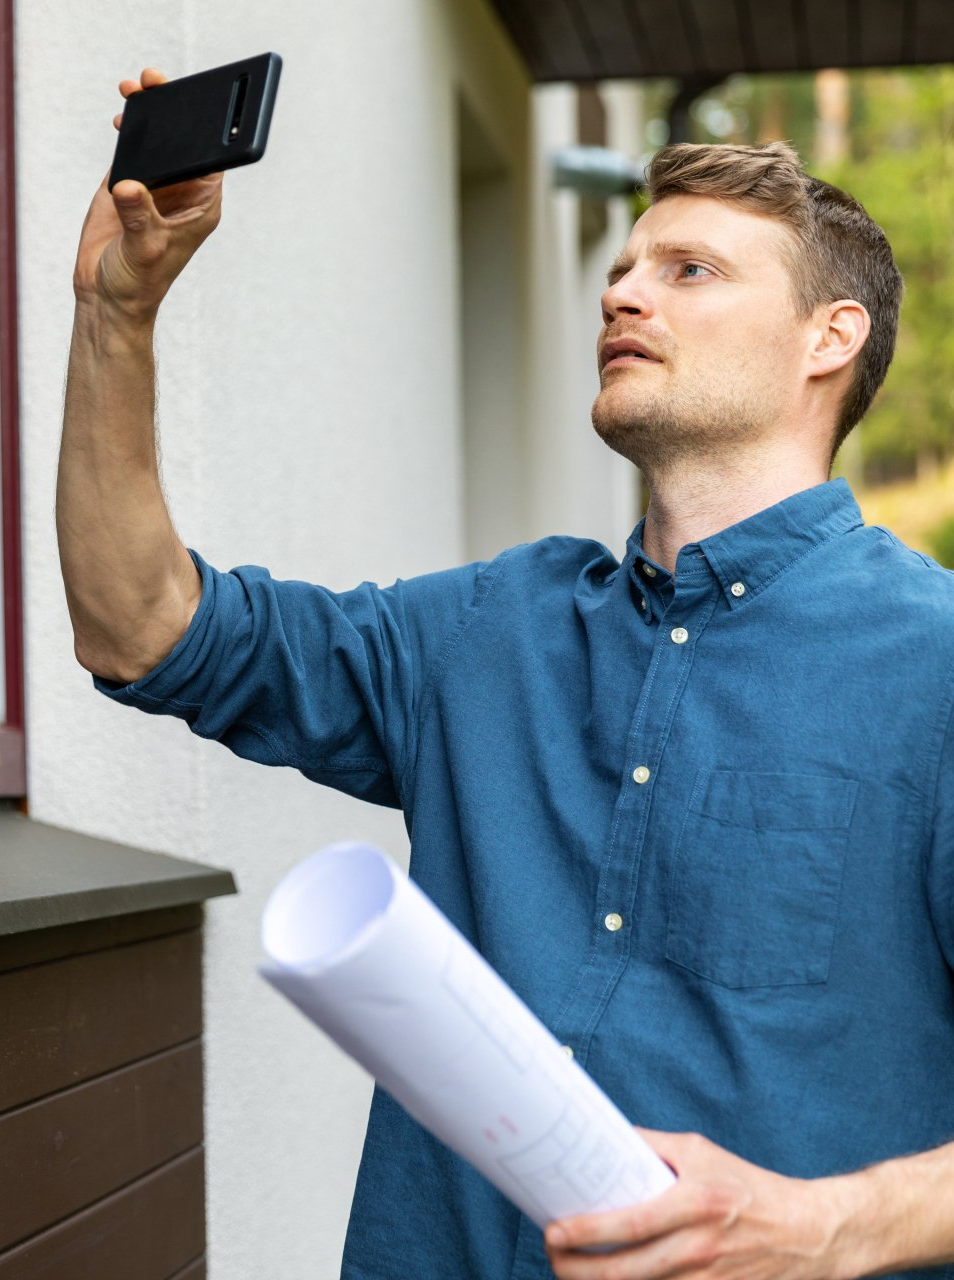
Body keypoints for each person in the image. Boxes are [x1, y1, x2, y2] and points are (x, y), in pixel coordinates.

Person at [58, 69, 954, 1280]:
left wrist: (825, 1226)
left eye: (690, 270)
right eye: (625, 269)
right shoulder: (491, 626)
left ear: (829, 338)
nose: (625, 291)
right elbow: (144, 627)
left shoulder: (933, 661)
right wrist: (116, 318)